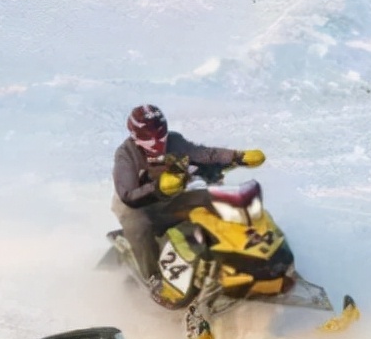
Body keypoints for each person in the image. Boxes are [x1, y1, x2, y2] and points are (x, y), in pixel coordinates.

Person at [112, 104, 265, 280]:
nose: (156, 141)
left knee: (215, 199)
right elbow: (128, 195)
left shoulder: (174, 141)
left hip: (170, 199)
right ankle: (153, 277)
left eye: (160, 133)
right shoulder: (125, 154)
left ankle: (251, 253)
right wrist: (157, 187)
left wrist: (237, 156)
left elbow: (204, 154)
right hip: (137, 207)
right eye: (147, 136)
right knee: (140, 226)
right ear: (134, 134)